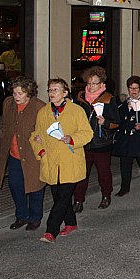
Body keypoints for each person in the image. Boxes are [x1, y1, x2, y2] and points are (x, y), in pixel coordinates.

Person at [29, 78, 93, 243]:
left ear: (65, 93)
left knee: (63, 197)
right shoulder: (43, 112)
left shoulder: (77, 111)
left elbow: (87, 133)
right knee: (59, 197)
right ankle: (71, 223)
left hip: (69, 161)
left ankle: (51, 230)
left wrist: (71, 138)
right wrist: (40, 150)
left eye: (55, 90)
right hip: (51, 162)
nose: (51, 93)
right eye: (50, 90)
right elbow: (35, 136)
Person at [0, 76, 46, 230]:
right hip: (14, 154)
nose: (16, 96)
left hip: (32, 155)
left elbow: (46, 130)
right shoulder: (8, 103)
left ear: (29, 93)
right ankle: (21, 216)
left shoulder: (39, 107)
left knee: (35, 186)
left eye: (20, 93)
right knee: (15, 186)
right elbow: (5, 124)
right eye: (15, 93)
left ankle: (35, 217)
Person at [73, 67, 120, 212]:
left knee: (103, 173)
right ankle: (78, 200)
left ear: (101, 84)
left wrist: (105, 122)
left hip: (101, 143)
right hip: (84, 143)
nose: (91, 86)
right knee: (81, 174)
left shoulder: (108, 99)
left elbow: (116, 122)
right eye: (89, 83)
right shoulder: (80, 98)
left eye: (94, 83)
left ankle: (106, 195)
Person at [112, 76, 140, 195]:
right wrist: (126, 110)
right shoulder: (123, 103)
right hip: (126, 140)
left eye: (136, 88)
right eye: (131, 88)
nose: (133, 91)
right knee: (125, 164)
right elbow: (118, 120)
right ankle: (124, 187)